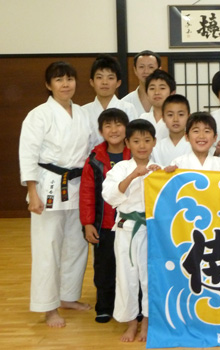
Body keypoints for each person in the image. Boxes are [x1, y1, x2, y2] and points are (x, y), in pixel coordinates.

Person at [19, 61, 92, 327]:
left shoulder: (83, 114)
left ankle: (67, 296)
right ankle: (47, 306)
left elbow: (92, 148)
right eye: (59, 80)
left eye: (70, 79)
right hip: (47, 185)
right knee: (47, 247)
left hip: (77, 185)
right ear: (48, 85)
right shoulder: (38, 114)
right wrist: (32, 191)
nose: (65, 84)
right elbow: (27, 153)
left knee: (76, 245)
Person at [102, 119, 160, 342]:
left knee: (149, 278)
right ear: (127, 143)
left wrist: (164, 175)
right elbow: (110, 196)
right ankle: (130, 323)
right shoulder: (121, 168)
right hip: (126, 229)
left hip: (152, 231)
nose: (142, 145)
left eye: (147, 140)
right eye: (136, 141)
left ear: (154, 142)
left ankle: (147, 322)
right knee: (126, 277)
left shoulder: (159, 169)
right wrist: (134, 174)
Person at [79, 108, 131, 324]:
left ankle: (131, 307)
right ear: (100, 131)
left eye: (118, 124)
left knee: (129, 266)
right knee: (104, 267)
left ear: (126, 128)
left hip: (130, 224)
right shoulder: (94, 159)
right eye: (108, 125)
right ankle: (104, 306)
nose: (114, 129)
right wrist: (88, 223)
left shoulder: (136, 153)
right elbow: (87, 193)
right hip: (104, 225)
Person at [83, 54, 137, 147]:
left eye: (110, 78)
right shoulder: (83, 111)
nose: (105, 82)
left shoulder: (128, 108)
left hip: (123, 160)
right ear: (92, 82)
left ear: (118, 83)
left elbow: (134, 139)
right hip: (91, 160)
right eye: (99, 77)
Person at [151, 94, 192, 165]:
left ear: (189, 117)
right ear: (163, 118)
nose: (175, 119)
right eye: (170, 115)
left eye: (181, 114)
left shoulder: (194, 145)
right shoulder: (157, 148)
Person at [139, 69, 176, 142]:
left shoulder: (178, 119)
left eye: (162, 88)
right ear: (147, 94)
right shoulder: (143, 118)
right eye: (152, 88)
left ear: (172, 93)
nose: (156, 92)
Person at [122, 50, 161, 115]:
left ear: (159, 70)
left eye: (151, 67)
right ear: (135, 70)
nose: (146, 71)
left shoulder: (167, 101)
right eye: (141, 67)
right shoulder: (125, 102)